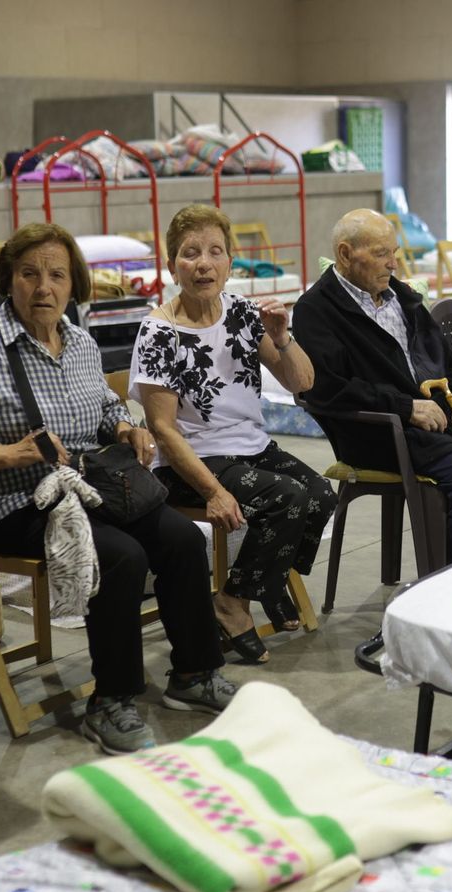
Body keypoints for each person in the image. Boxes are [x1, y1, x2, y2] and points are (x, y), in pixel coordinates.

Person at [0, 222, 235, 756]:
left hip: (92, 490)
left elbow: (104, 407)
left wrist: (125, 428)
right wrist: (12, 453)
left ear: (73, 284)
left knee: (181, 538)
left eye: (57, 275)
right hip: (17, 503)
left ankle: (193, 674)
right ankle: (110, 702)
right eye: (29, 274)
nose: (44, 287)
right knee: (121, 557)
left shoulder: (80, 342)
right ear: (7, 281)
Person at [130, 205, 336, 665]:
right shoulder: (159, 332)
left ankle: (265, 578)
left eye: (215, 252)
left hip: (250, 446)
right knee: (286, 498)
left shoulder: (242, 312)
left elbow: (301, 383)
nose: (203, 263)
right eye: (190, 253)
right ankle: (231, 602)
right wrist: (214, 491)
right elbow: (162, 429)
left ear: (229, 263)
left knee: (321, 493)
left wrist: (282, 338)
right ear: (172, 265)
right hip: (192, 460)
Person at [293, 209, 452, 563]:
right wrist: (406, 408)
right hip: (381, 432)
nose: (393, 263)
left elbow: (449, 365)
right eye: (382, 253)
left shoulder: (403, 297)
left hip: (440, 422)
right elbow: (326, 388)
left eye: (394, 252)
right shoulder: (316, 310)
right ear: (346, 254)